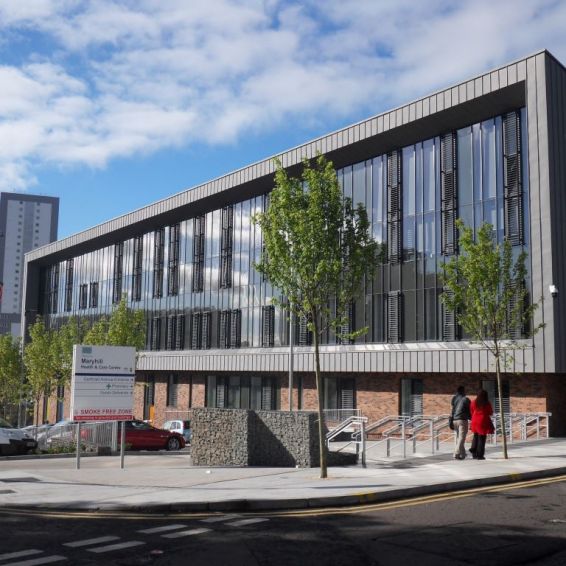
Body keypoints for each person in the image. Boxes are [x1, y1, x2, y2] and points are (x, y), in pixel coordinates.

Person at [470, 389, 495, 460]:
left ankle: (473, 451)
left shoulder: (473, 402)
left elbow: (471, 411)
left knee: (475, 436)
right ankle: (480, 455)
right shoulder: (486, 403)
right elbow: (490, 412)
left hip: (474, 420)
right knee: (482, 438)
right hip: (482, 420)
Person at [451, 385, 471, 460]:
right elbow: (469, 410)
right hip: (462, 420)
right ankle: (456, 453)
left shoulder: (454, 398)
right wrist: (471, 417)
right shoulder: (466, 399)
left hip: (454, 420)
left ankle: (462, 454)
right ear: (463, 391)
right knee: (462, 437)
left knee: (458, 437)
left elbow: (452, 408)